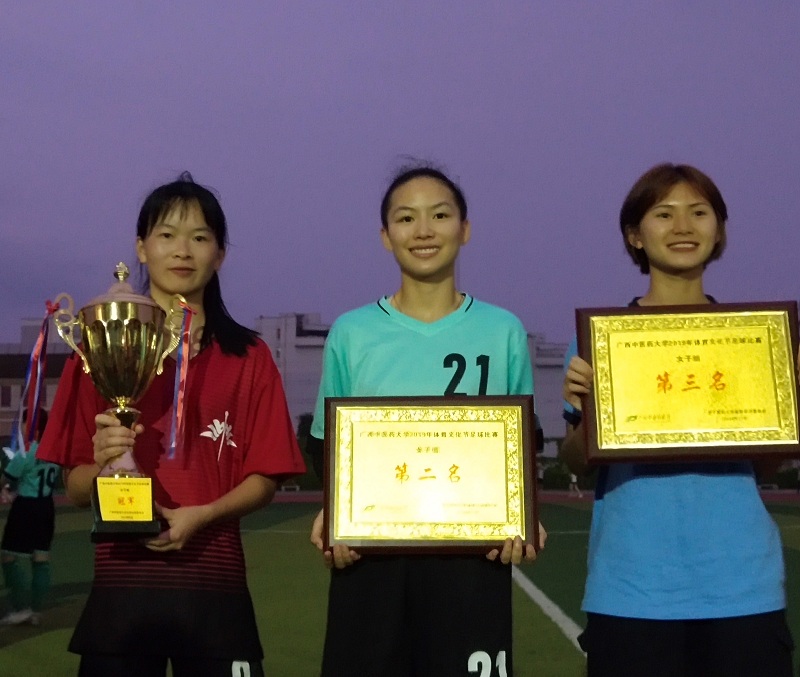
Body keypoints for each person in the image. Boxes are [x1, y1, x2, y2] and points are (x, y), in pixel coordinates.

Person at [36, 173, 305, 677]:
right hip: (121, 588)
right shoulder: (96, 350)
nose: (182, 250)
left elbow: (266, 477)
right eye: (166, 235)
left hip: (215, 588)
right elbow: (74, 487)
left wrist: (202, 515)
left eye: (199, 237)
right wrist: (103, 464)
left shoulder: (249, 356)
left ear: (219, 254)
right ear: (141, 248)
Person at [308, 164, 546, 677]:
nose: (423, 231)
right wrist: (335, 516)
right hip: (371, 562)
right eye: (405, 218)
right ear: (385, 236)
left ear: (465, 228)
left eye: (439, 215)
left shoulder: (502, 329)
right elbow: (330, 448)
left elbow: (520, 443)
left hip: (473, 562)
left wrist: (522, 517)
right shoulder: (351, 332)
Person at [561, 163, 793, 677]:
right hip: (632, 590)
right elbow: (578, 462)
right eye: (663, 214)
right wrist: (584, 412)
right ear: (634, 235)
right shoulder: (601, 341)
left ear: (720, 230)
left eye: (699, 212)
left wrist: (787, 410)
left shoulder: (751, 343)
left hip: (742, 587)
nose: (683, 227)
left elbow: (767, 466)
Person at [0, 408, 59, 627]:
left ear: (31, 426)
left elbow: (7, 478)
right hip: (46, 507)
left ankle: (21, 608)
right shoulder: (54, 450)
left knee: (8, 557)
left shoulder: (27, 451)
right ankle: (35, 610)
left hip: (26, 508)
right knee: (40, 558)